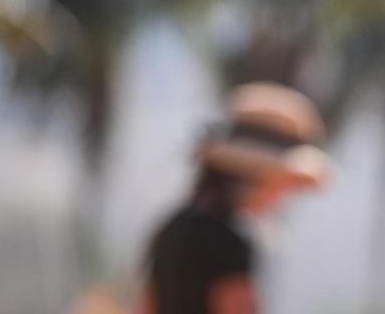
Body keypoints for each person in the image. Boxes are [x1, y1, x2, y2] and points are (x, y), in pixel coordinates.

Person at [139, 82, 333, 314]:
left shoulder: (172, 227)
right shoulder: (230, 241)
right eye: (281, 185)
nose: (283, 197)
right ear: (258, 178)